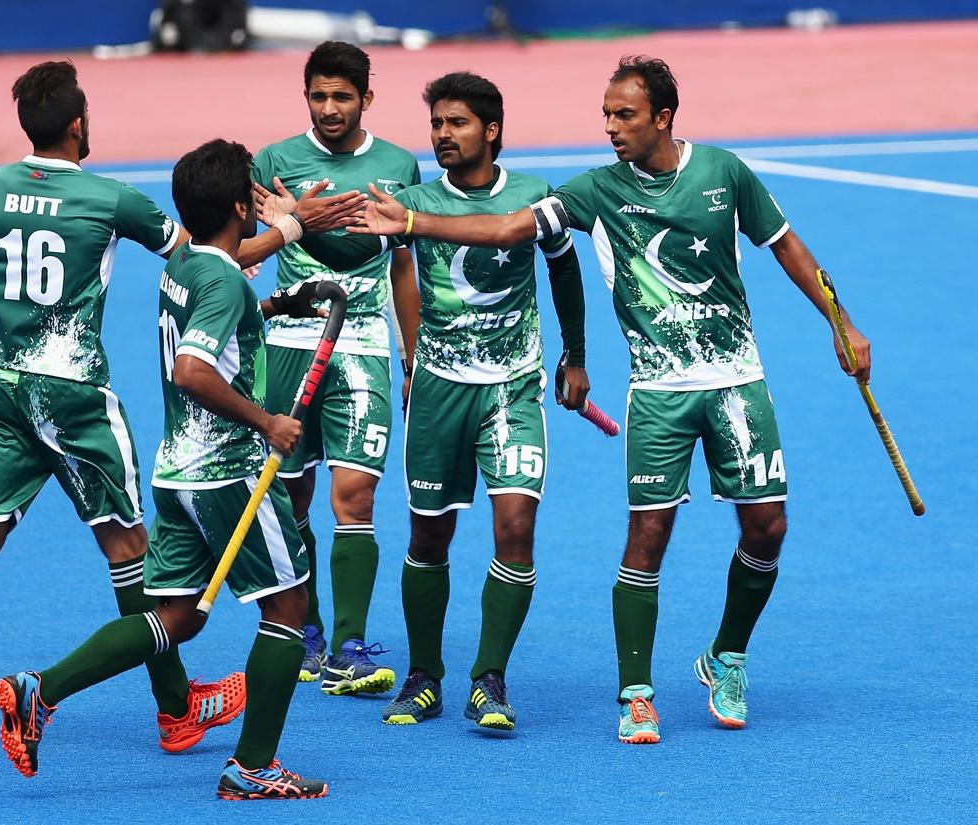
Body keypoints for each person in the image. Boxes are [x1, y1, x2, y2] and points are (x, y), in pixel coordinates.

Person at [347, 55, 871, 743]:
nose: (611, 127)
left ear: (663, 116)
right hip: (656, 392)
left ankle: (727, 655)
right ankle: (634, 692)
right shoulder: (594, 190)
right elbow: (510, 231)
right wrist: (408, 224)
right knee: (646, 537)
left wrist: (842, 321)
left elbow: (787, 246)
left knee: (768, 528)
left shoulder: (724, 173)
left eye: (625, 115)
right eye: (606, 115)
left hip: (736, 380)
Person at [0, 60, 362, 770]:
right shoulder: (111, 198)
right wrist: (288, 227)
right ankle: (176, 709)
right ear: (77, 125)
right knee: (131, 552)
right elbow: (213, 263)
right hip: (74, 396)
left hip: (0, 387)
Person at [0, 138, 329, 800]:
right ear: (240, 206)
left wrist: (265, 311)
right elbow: (193, 368)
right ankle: (254, 766)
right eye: (254, 195)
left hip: (174, 471)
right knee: (289, 605)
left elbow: (212, 327)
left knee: (179, 614)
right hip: (226, 470)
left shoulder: (182, 267)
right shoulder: (224, 279)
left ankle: (42, 689)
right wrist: (267, 422)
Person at [360, 72, 589, 730]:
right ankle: (423, 674)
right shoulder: (412, 201)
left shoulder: (532, 196)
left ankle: (489, 678)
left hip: (513, 388)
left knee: (516, 529)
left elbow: (563, 268)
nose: (442, 135)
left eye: (456, 123)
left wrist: (576, 355)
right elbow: (384, 263)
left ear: (491, 130)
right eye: (436, 124)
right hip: (437, 390)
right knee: (430, 533)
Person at [250, 41, 420, 695]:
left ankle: (350, 642)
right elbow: (242, 253)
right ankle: (306, 630)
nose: (329, 108)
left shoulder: (398, 163)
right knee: (292, 495)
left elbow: (402, 264)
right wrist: (287, 224)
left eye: (342, 96)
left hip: (364, 347)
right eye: (318, 96)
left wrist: (414, 355)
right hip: (290, 347)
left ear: (366, 100)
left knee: (356, 496)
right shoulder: (273, 160)